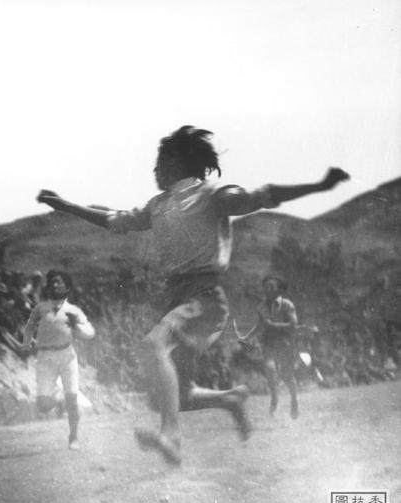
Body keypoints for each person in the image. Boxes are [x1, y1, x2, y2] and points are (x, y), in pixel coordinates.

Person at [36, 125, 350, 465]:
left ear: (176, 162)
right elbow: (114, 219)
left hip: (204, 298)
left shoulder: (211, 194)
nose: (154, 170)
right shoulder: (158, 205)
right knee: (176, 396)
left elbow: (262, 195)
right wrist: (66, 206)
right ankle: (231, 399)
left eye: (159, 162)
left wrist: (319, 185)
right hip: (177, 300)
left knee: (152, 345)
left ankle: (170, 437)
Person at [22, 270, 95, 450]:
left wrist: (76, 325)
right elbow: (29, 327)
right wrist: (25, 345)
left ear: (67, 287)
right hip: (45, 357)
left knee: (72, 397)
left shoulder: (73, 310)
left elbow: (90, 332)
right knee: (43, 405)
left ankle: (73, 437)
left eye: (59, 282)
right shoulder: (41, 308)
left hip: (67, 356)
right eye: (52, 283)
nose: (55, 285)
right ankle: (60, 399)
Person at [240, 275, 300, 418]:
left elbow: (294, 325)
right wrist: (246, 337)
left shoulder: (287, 305)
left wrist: (274, 325)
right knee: (269, 368)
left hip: (285, 342)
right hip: (269, 343)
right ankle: (274, 399)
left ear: (278, 289)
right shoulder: (261, 306)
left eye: (272, 287)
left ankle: (294, 400)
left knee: (287, 375)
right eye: (266, 287)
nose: (268, 290)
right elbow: (260, 325)